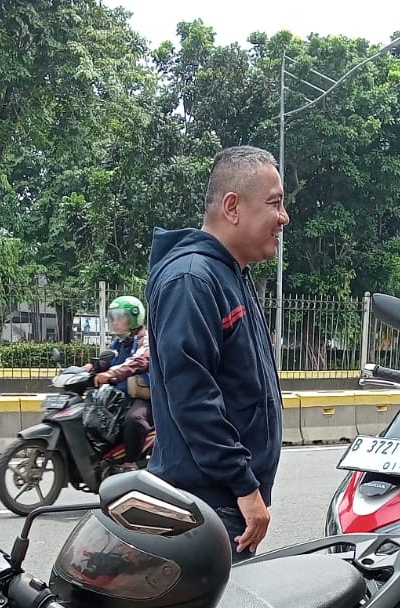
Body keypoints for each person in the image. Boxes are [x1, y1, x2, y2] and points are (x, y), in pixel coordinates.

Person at [145, 145, 288, 558]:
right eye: (274, 203)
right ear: (232, 207)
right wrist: (244, 485)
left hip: (225, 502)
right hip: (208, 504)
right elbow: (194, 400)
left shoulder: (230, 275)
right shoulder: (192, 279)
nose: (283, 218)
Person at [93, 295, 152, 464]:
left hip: (144, 397)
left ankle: (130, 463)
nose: (115, 322)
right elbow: (104, 360)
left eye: (121, 317)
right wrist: (79, 371)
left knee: (134, 420)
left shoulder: (145, 340)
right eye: (113, 317)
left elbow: (138, 361)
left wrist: (111, 374)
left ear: (134, 318)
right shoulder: (118, 343)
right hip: (121, 395)